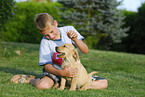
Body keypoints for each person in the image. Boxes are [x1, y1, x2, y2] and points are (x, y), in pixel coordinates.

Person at [12, 13, 108, 90]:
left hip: (73, 72)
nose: (51, 36)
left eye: (52, 32)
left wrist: (76, 40)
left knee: (103, 83)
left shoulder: (69, 30)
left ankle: (69, 85)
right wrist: (62, 73)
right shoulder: (45, 42)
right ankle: (31, 80)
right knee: (42, 86)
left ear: (55, 23)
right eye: (47, 35)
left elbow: (85, 51)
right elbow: (47, 66)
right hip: (55, 72)